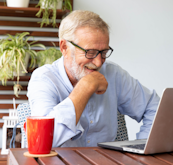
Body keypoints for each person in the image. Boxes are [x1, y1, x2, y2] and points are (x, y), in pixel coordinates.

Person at [27, 10, 160, 147]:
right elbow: (43, 141)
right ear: (64, 47)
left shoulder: (113, 74)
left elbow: (155, 108)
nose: (98, 63)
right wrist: (85, 87)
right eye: (90, 52)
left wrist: (142, 149)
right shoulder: (43, 79)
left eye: (103, 53)